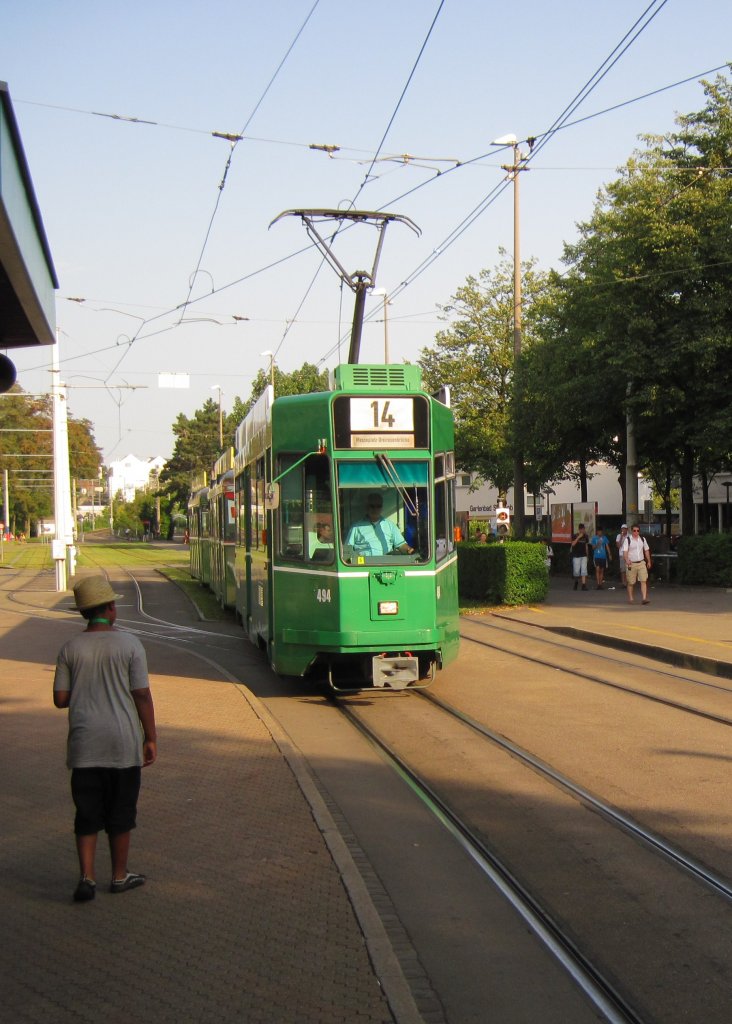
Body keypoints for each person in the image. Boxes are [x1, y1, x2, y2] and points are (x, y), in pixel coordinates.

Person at [53, 576, 157, 902]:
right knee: (121, 812)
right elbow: (141, 694)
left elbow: (60, 698)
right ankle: (119, 875)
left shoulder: (70, 648)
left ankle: (87, 878)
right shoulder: (130, 645)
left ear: (84, 613)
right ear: (110, 609)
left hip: (84, 745)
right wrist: (150, 737)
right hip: (122, 743)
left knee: (86, 813)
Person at [345, 492, 413, 557]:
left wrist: (408, 550)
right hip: (363, 565)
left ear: (382, 508)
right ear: (367, 507)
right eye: (372, 506)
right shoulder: (356, 527)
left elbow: (401, 545)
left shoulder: (390, 525)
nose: (375, 509)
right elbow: (347, 550)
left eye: (378, 506)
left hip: (385, 564)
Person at [622, 525, 652, 604]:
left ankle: (644, 598)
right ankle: (631, 598)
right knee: (631, 582)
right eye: (634, 530)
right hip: (631, 563)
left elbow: (646, 550)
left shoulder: (642, 539)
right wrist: (627, 560)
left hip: (641, 562)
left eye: (638, 531)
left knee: (643, 580)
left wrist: (648, 561)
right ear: (632, 531)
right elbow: (625, 552)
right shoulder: (627, 540)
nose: (636, 532)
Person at [570, 523, 591, 591]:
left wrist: (587, 555)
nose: (583, 530)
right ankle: (576, 582)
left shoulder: (586, 536)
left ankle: (583, 585)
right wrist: (578, 537)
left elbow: (586, 546)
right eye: (582, 529)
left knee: (584, 570)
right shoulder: (575, 535)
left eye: (584, 529)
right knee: (576, 571)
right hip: (576, 556)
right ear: (579, 529)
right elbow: (573, 544)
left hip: (583, 555)